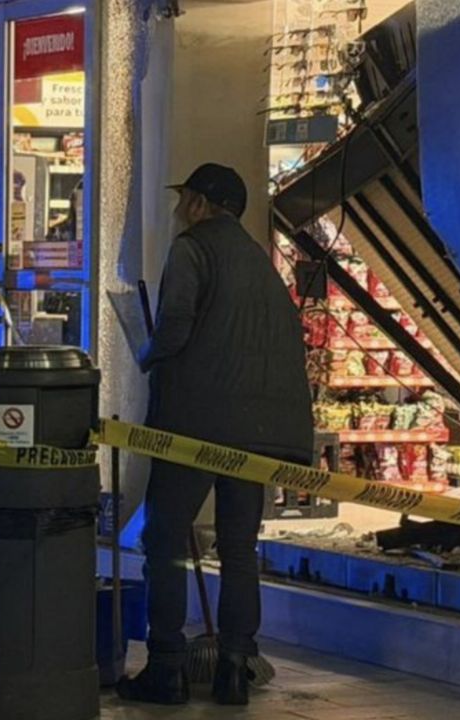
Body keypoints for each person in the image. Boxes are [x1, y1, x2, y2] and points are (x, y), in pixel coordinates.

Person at [117, 164, 314, 706]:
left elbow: (175, 324)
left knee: (165, 540)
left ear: (202, 204)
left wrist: (146, 351)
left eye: (185, 199)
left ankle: (166, 666)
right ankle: (233, 667)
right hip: (265, 431)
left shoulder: (192, 247)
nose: (180, 208)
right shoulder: (259, 260)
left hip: (197, 423)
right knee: (238, 548)